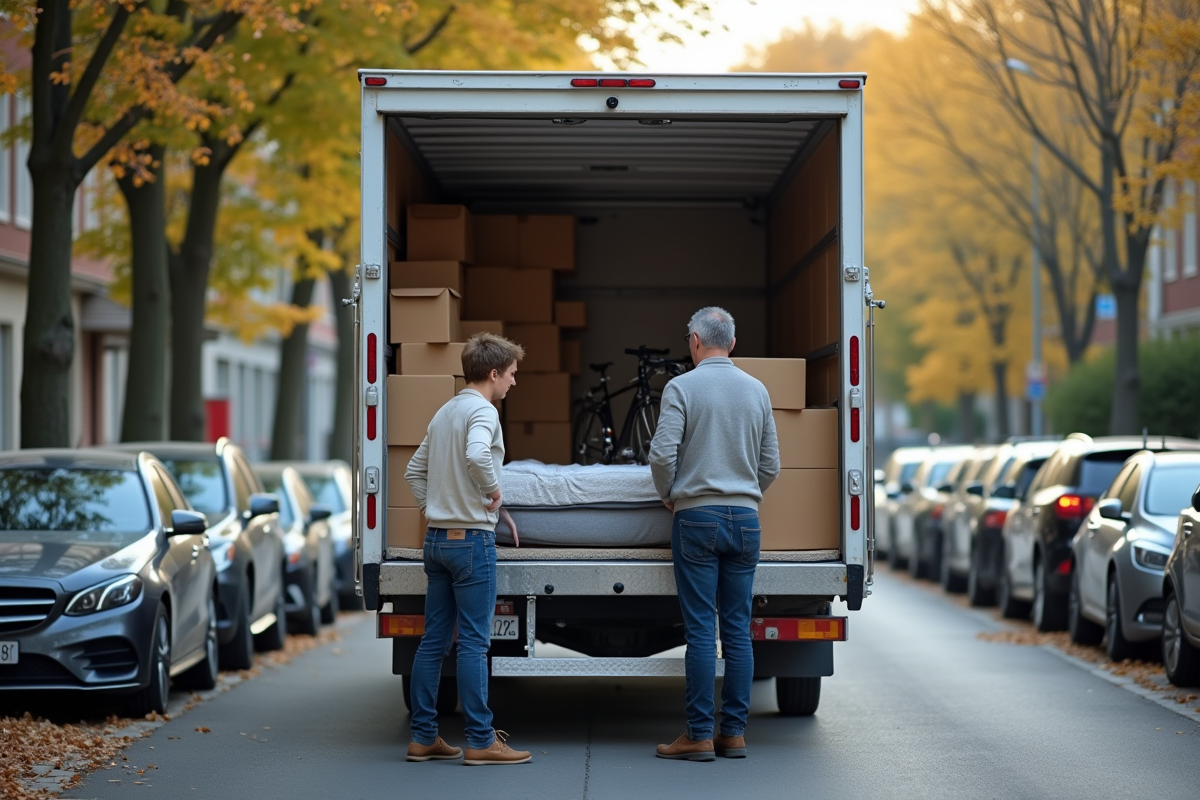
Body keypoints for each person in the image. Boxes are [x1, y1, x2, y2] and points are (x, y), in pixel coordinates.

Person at [648, 307, 780, 762]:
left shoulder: (681, 387)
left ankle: (699, 735)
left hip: (696, 519)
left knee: (702, 630)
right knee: (738, 630)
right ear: (733, 343)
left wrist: (671, 494)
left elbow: (663, 454)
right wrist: (745, 494)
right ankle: (735, 735)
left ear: (695, 342)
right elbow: (771, 465)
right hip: (746, 521)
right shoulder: (757, 390)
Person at [403, 332, 532, 766]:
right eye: (512, 375)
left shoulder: (445, 412)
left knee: (432, 641)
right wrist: (493, 493)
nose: (514, 383)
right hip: (471, 544)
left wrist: (435, 506)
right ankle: (480, 740)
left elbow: (413, 471)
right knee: (475, 645)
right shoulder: (483, 411)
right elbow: (478, 457)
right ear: (494, 373)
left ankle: (424, 737)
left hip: (437, 540)